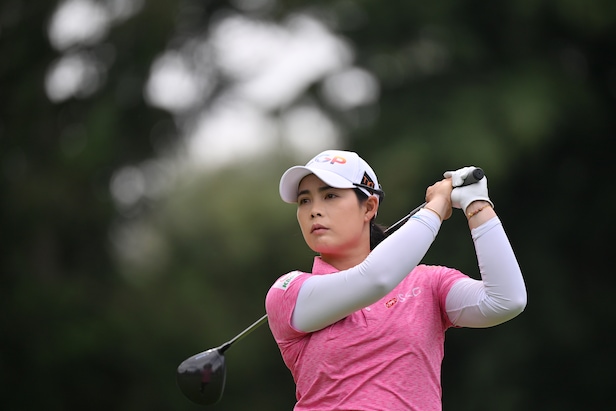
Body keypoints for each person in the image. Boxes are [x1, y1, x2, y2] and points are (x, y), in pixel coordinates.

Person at [265, 149, 527, 411]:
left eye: (330, 195)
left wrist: (477, 204)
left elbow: (505, 300)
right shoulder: (288, 292)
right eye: (304, 201)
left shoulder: (427, 283)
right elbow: (375, 279)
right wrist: (436, 205)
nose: (314, 211)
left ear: (369, 207)